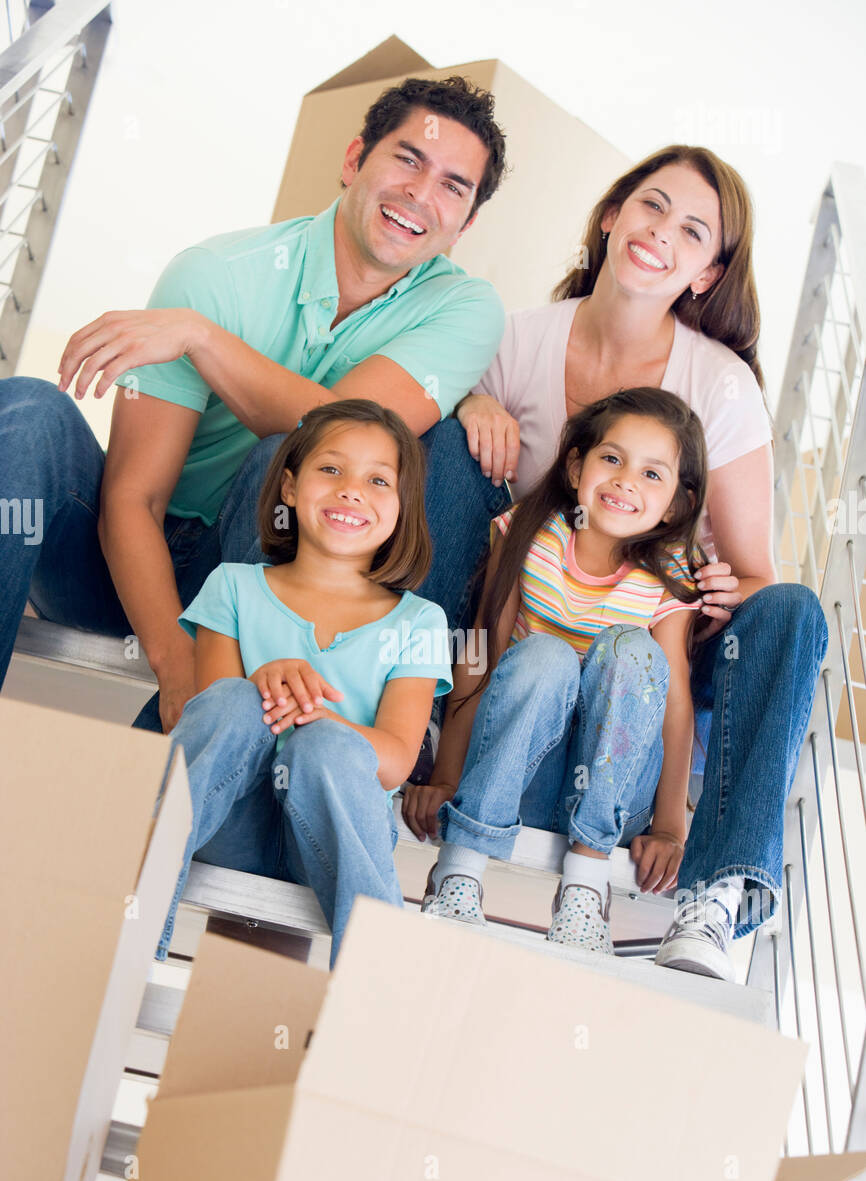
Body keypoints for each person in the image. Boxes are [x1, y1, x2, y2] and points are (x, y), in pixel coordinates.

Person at [414, 145, 829, 980]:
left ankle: (715, 891)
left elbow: (752, 576)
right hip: (528, 631)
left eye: (692, 230)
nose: (659, 233)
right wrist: (470, 398)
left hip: (654, 633)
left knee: (791, 610)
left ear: (708, 272)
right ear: (610, 215)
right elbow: (489, 594)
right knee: (443, 449)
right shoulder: (517, 339)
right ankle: (408, 726)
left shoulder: (720, 387)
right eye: (650, 205)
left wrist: (706, 592)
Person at [0, 75, 505, 735]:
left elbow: (334, 435)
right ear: (355, 160)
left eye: (452, 185)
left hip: (266, 582)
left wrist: (200, 339)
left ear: (465, 223)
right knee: (28, 410)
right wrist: (178, 662)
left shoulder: (465, 309)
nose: (420, 192)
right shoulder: (217, 274)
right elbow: (133, 500)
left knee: (291, 456)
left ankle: (245, 755)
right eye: (407, 159)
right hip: (128, 560)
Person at [402, 388, 705, 955]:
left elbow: (677, 704)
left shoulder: (669, 577)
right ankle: (459, 870)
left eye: (652, 474)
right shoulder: (531, 533)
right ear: (575, 466)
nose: (626, 482)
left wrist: (669, 824)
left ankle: (586, 890)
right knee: (546, 656)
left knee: (630, 651)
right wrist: (446, 774)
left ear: (677, 505)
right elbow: (477, 648)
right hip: (518, 773)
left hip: (613, 790)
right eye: (611, 459)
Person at [158, 399, 452, 968]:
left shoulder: (420, 621)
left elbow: (392, 761)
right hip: (231, 822)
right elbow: (213, 717)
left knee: (327, 746)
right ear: (289, 488)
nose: (351, 491)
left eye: (378, 480)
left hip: (330, 834)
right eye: (331, 470)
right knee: (236, 699)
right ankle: (133, 903)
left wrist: (320, 716)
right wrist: (263, 679)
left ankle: (376, 978)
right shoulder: (235, 587)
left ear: (401, 507)